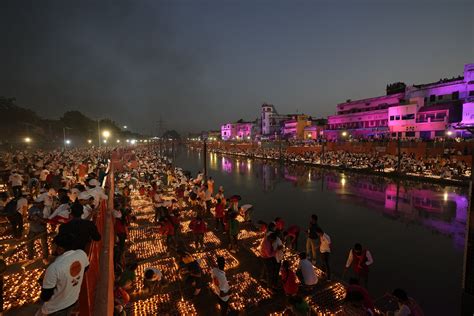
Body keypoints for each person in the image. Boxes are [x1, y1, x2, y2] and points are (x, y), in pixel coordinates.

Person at [38, 233, 89, 316]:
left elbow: (45, 296)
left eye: (53, 245)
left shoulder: (54, 267)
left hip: (55, 309)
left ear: (60, 249)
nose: (51, 247)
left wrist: (43, 282)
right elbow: (85, 268)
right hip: (73, 300)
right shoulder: (81, 254)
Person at [27, 195, 49, 264]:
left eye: (38, 203)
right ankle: (30, 258)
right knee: (30, 243)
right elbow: (28, 218)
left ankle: (45, 258)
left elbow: (47, 220)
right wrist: (31, 218)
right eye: (36, 203)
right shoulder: (32, 209)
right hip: (32, 229)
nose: (36, 204)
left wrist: (39, 219)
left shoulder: (46, 209)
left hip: (42, 230)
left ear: (42, 202)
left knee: (44, 244)